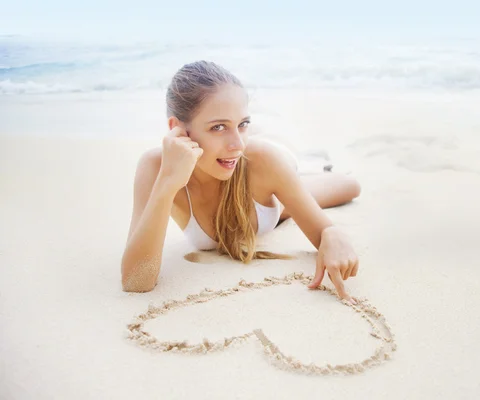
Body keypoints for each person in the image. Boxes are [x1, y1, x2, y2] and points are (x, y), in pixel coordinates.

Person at [121, 61, 361, 303]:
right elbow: (136, 281)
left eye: (243, 124)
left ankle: (308, 164)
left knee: (349, 186)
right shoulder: (154, 167)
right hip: (241, 168)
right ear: (178, 130)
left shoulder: (262, 159)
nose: (237, 142)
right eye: (217, 127)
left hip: (265, 164)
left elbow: (327, 231)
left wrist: (332, 233)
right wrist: (167, 184)